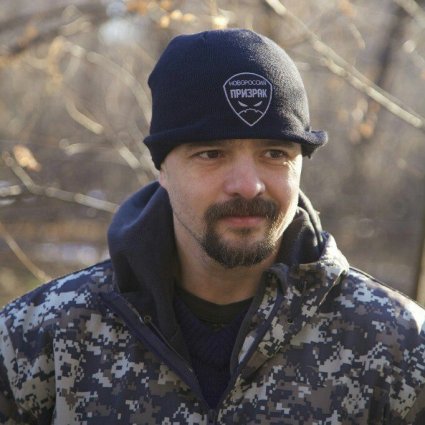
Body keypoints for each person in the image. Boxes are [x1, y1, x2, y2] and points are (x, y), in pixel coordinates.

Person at [0, 29, 424, 424]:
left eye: (275, 153)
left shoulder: (398, 345)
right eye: (211, 154)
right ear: (163, 169)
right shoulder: (39, 339)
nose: (248, 185)